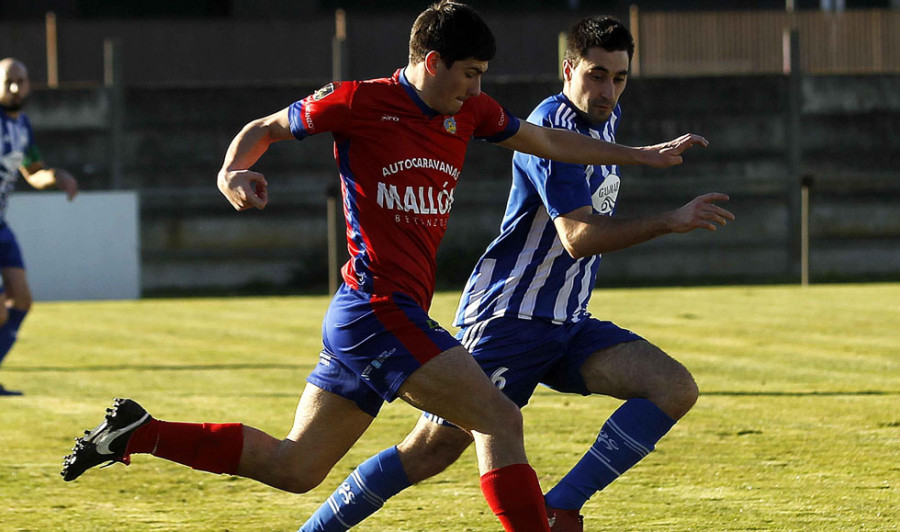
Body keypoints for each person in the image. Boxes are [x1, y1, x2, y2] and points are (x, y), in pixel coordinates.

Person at [61, 4, 708, 531]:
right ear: (433, 62)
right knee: (500, 420)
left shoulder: (471, 114)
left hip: (379, 317)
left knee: (296, 467)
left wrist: (644, 157)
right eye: (470, 74)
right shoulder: (358, 102)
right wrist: (234, 168)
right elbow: (266, 126)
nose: (478, 90)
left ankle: (140, 434)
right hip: (376, 311)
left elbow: (544, 140)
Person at [296, 15, 734, 532]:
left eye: (619, 79)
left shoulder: (604, 123)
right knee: (429, 451)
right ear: (568, 69)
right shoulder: (554, 126)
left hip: (567, 322)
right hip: (508, 318)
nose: (607, 91)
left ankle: (561, 505)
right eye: (596, 75)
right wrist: (670, 220)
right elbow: (578, 237)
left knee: (673, 388)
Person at [0, 57, 78, 396]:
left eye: (21, 80)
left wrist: (56, 176)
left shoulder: (23, 126)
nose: (16, 87)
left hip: (1, 225)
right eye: (8, 81)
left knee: (22, 300)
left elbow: (33, 172)